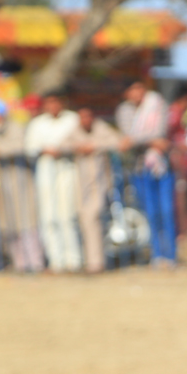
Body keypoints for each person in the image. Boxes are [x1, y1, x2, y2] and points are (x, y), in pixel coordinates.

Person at [117, 81, 176, 266]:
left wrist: (138, 139)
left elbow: (160, 132)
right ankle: (157, 254)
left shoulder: (157, 104)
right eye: (132, 89)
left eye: (139, 88)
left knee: (167, 210)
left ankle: (171, 255)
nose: (137, 93)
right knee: (150, 211)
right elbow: (128, 138)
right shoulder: (124, 111)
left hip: (161, 166)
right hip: (140, 167)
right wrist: (152, 140)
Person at [24, 92, 81, 272]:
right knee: (49, 215)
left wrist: (62, 149)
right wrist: (45, 150)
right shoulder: (37, 123)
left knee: (67, 214)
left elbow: (78, 141)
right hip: (46, 168)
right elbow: (30, 147)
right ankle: (56, 260)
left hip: (67, 167)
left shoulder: (72, 119)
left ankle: (73, 260)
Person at [0, 98, 43, 271]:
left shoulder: (16, 128)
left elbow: (21, 146)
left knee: (26, 220)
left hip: (20, 179)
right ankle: (19, 263)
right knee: (7, 223)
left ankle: (35, 262)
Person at [65, 106, 121, 273]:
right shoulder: (75, 132)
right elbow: (62, 144)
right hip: (81, 185)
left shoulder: (101, 128)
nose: (86, 120)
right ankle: (91, 260)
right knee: (85, 219)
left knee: (92, 217)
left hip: (100, 183)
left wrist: (95, 145)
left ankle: (96, 262)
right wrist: (79, 147)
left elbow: (118, 141)